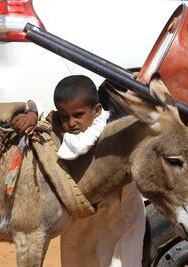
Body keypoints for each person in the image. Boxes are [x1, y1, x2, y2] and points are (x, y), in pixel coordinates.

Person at [47, 75, 146, 267]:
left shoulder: (102, 124)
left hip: (123, 212)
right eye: (64, 117)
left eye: (78, 115)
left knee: (120, 260)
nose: (71, 123)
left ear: (98, 110)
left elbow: (77, 147)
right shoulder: (85, 124)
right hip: (88, 214)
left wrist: (59, 130)